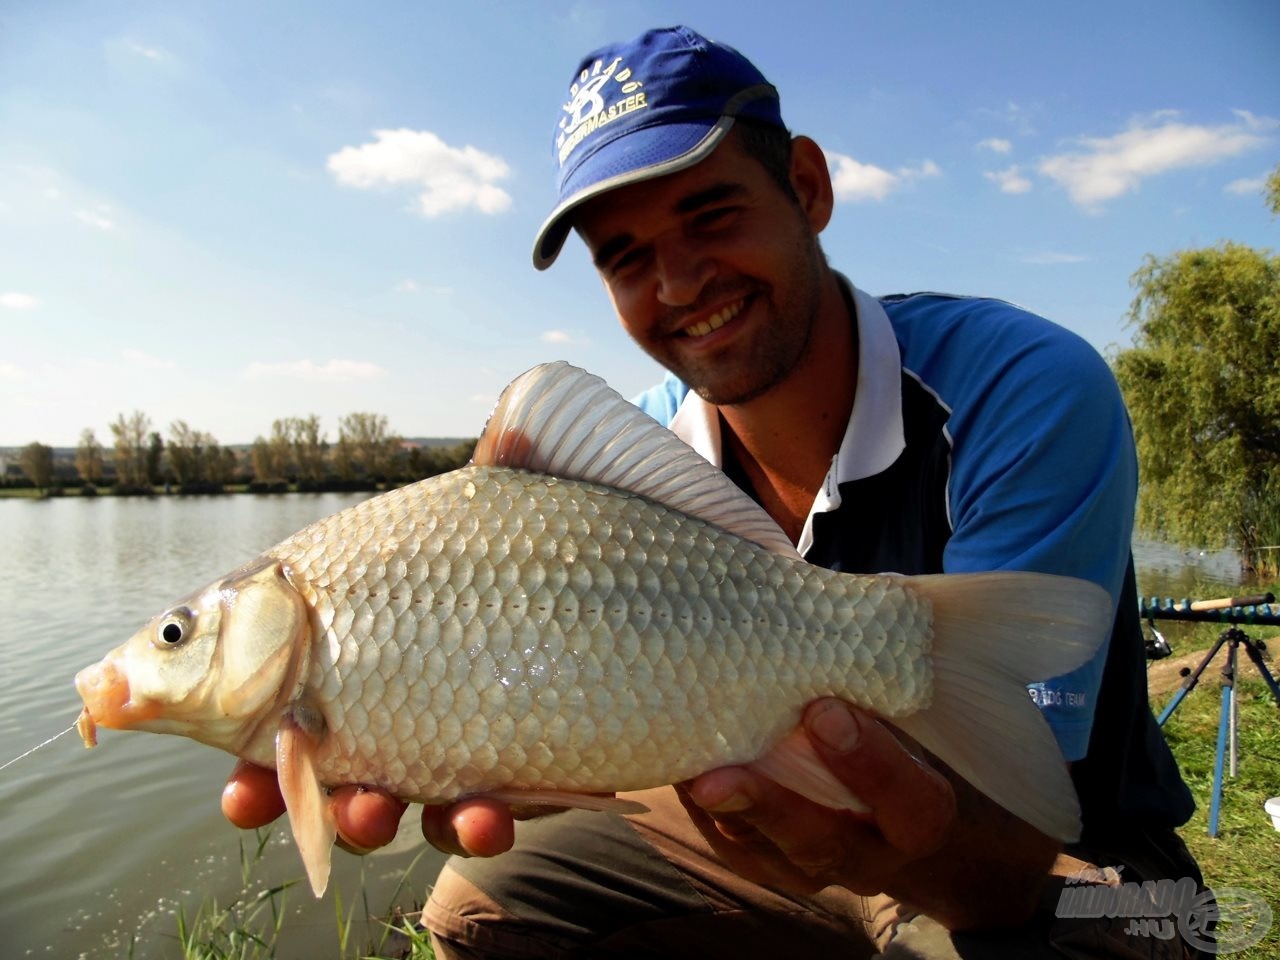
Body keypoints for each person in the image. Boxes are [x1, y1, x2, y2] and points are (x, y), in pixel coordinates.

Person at [222, 25, 1204, 958]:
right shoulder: (634, 456)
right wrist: (492, 724)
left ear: (807, 188)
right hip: (764, 803)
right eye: (626, 257)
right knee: (483, 905)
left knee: (1005, 928)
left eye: (711, 215)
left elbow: (1021, 793)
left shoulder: (1022, 386)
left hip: (1071, 862)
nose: (680, 281)